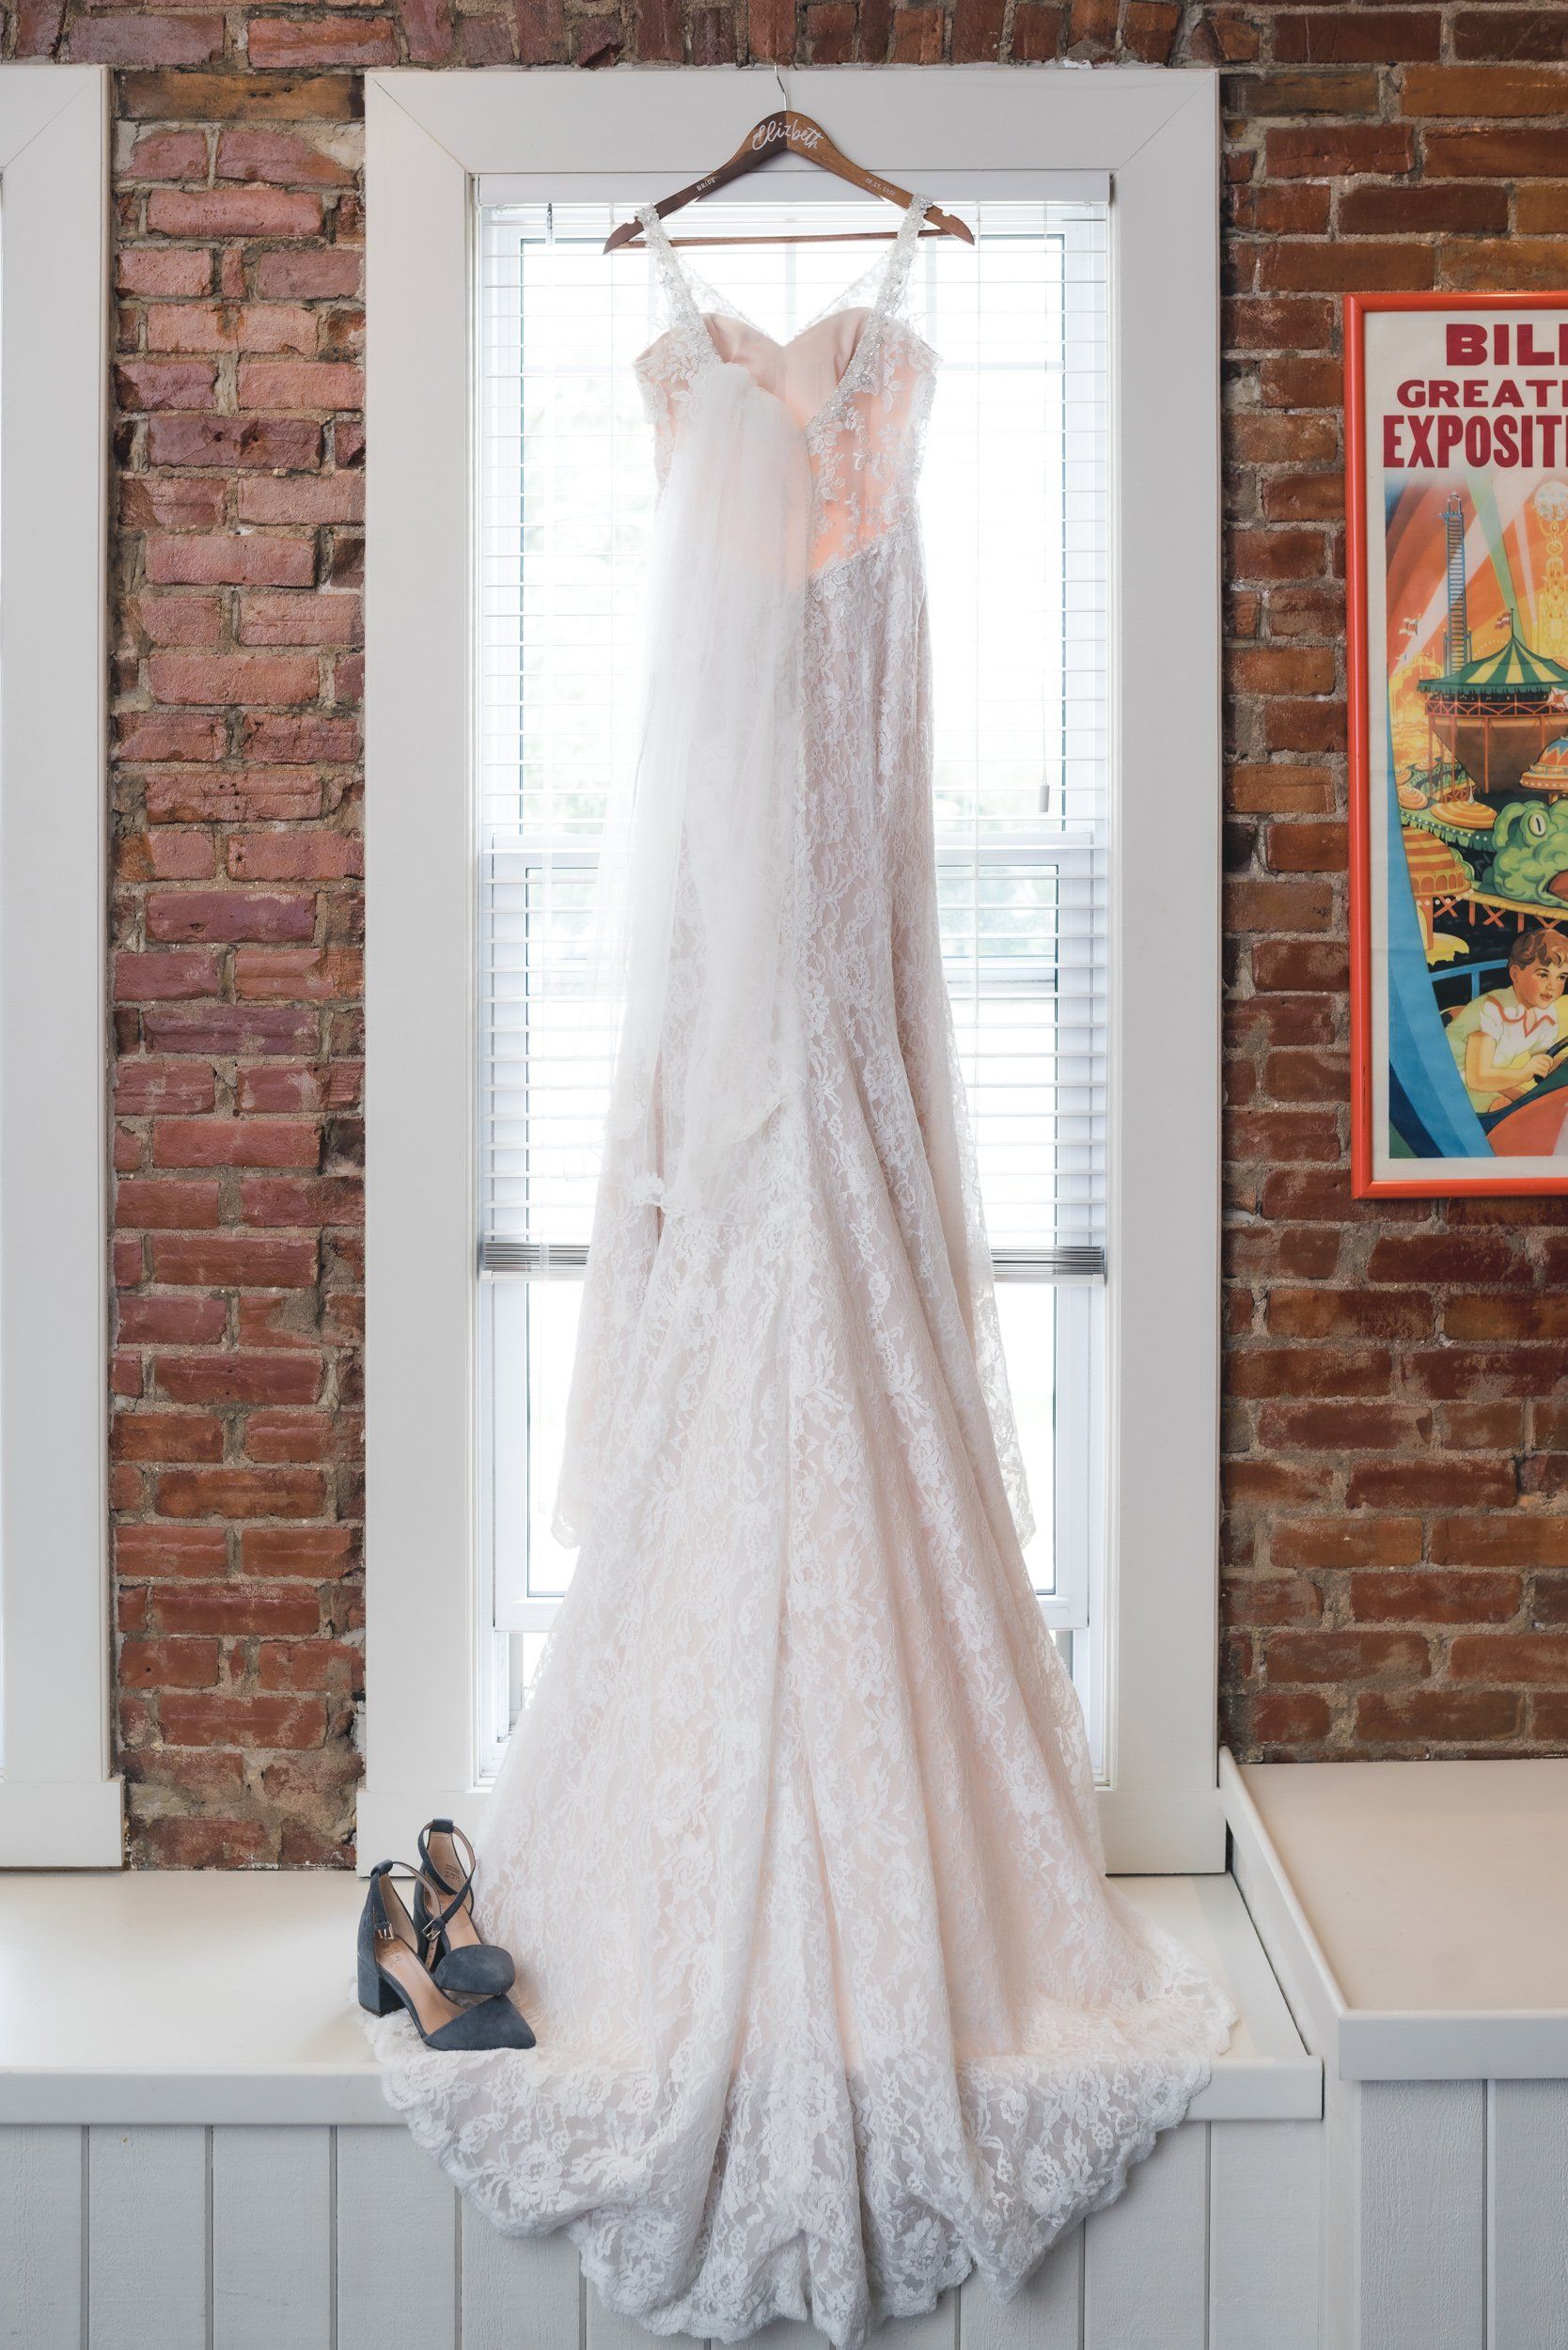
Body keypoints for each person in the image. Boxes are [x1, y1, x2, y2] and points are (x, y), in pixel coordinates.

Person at [1447, 925, 1568, 1112]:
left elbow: (1544, 1060)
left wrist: (1560, 1063)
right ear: (1514, 974)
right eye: (1543, 974)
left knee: (1539, 1107)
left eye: (1561, 977)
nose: (1553, 986)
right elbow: (1476, 1077)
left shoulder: (1546, 1013)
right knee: (1506, 1111)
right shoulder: (1492, 1010)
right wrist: (1523, 1073)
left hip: (1495, 1078)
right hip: (1453, 1078)